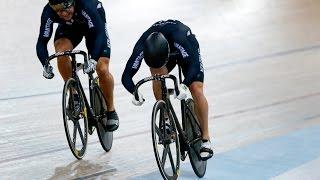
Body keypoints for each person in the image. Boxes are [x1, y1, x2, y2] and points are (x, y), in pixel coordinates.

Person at [121, 20, 213, 160]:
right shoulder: (142, 44)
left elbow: (194, 67)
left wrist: (184, 85)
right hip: (162, 55)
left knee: (196, 89)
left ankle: (206, 139)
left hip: (186, 50)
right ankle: (166, 119)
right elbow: (126, 76)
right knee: (157, 74)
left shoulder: (182, 37)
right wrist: (134, 91)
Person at [36, 0, 119, 131]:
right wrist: (44, 63)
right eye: (58, 11)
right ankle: (74, 94)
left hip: (94, 28)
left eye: (65, 9)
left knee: (102, 68)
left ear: (73, 3)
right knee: (60, 53)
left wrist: (93, 60)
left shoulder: (87, 5)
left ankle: (111, 110)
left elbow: (99, 34)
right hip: (70, 28)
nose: (62, 14)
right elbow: (42, 40)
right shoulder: (48, 11)